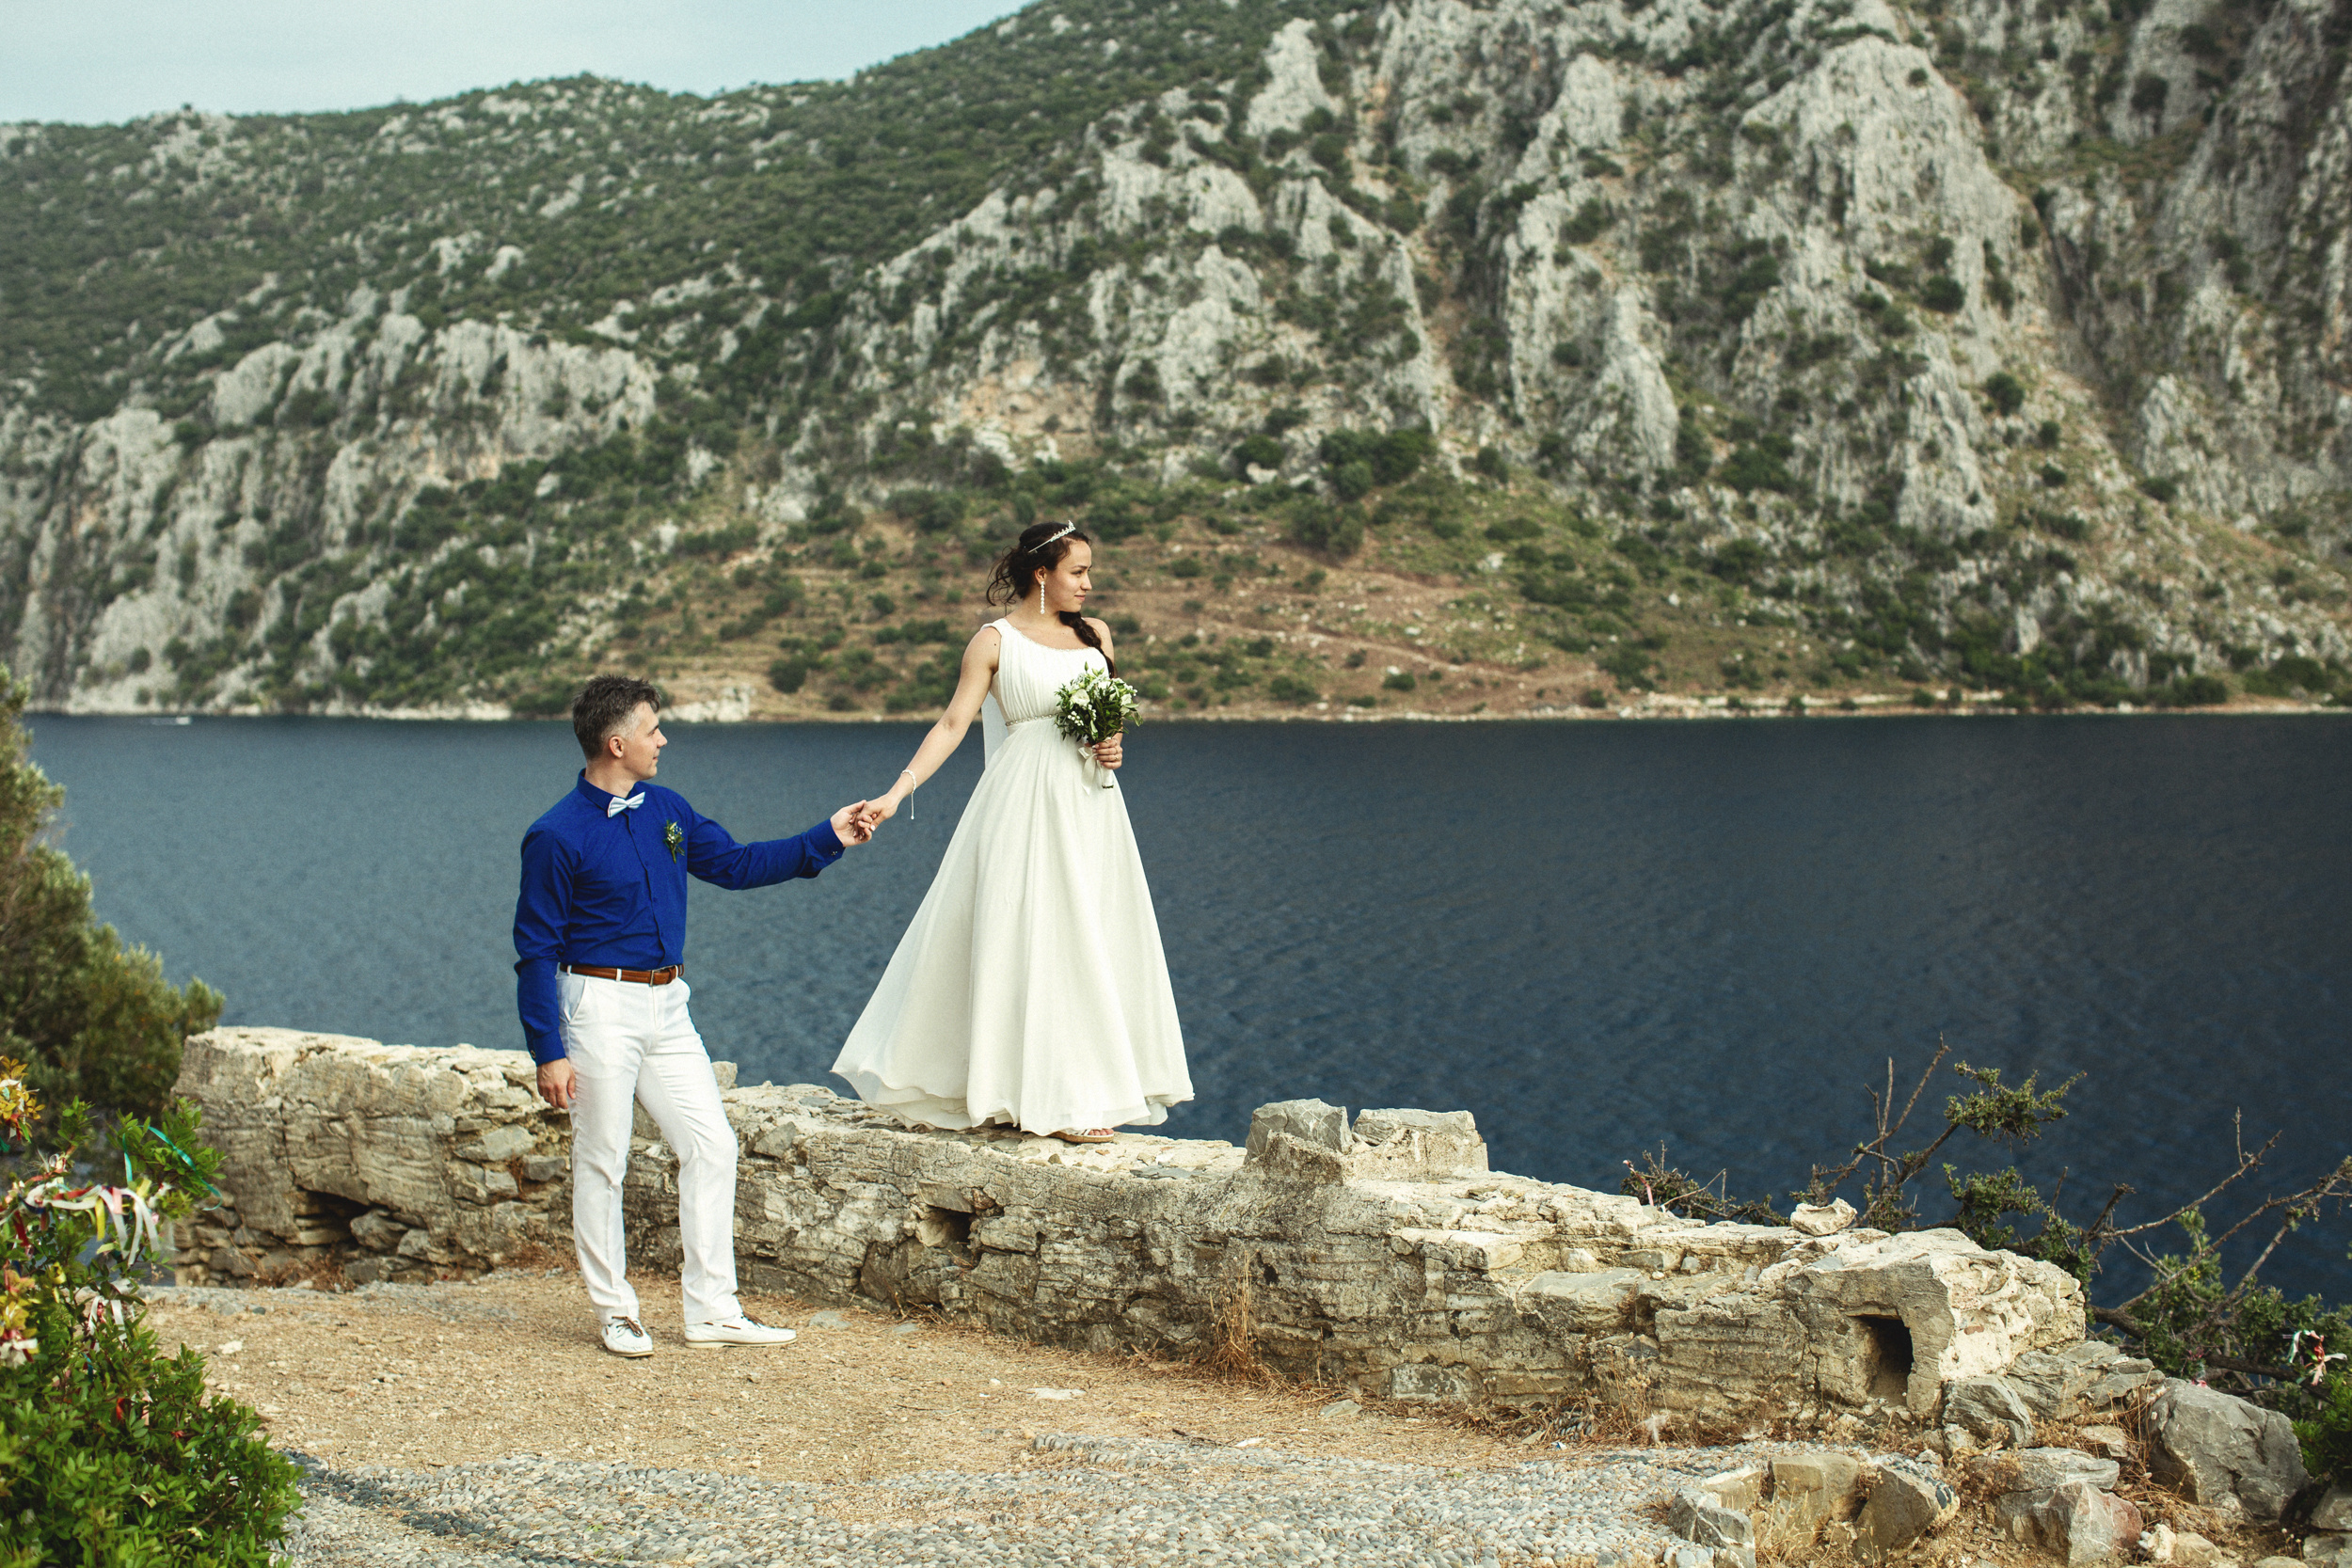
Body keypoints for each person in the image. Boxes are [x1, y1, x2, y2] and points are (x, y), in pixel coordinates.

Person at [515, 674, 875, 1358]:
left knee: (712, 1144)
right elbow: (533, 950)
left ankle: (713, 1309)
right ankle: (617, 1312)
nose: (664, 739)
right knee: (603, 1159)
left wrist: (827, 836)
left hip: (668, 1005)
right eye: (653, 729)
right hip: (597, 1007)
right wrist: (547, 1050)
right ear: (616, 742)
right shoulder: (554, 835)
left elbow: (737, 864)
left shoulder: (667, 809)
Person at [831, 520, 1191, 1142]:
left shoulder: (1096, 635)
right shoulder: (993, 642)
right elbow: (951, 724)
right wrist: (894, 795)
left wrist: (1112, 742)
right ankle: (1043, 1099)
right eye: (1078, 571)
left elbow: (1106, 719)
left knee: (1092, 935)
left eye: (1089, 572)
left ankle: (1084, 1092)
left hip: (1092, 805)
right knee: (1034, 938)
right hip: (1023, 805)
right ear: (1041, 573)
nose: (1088, 583)